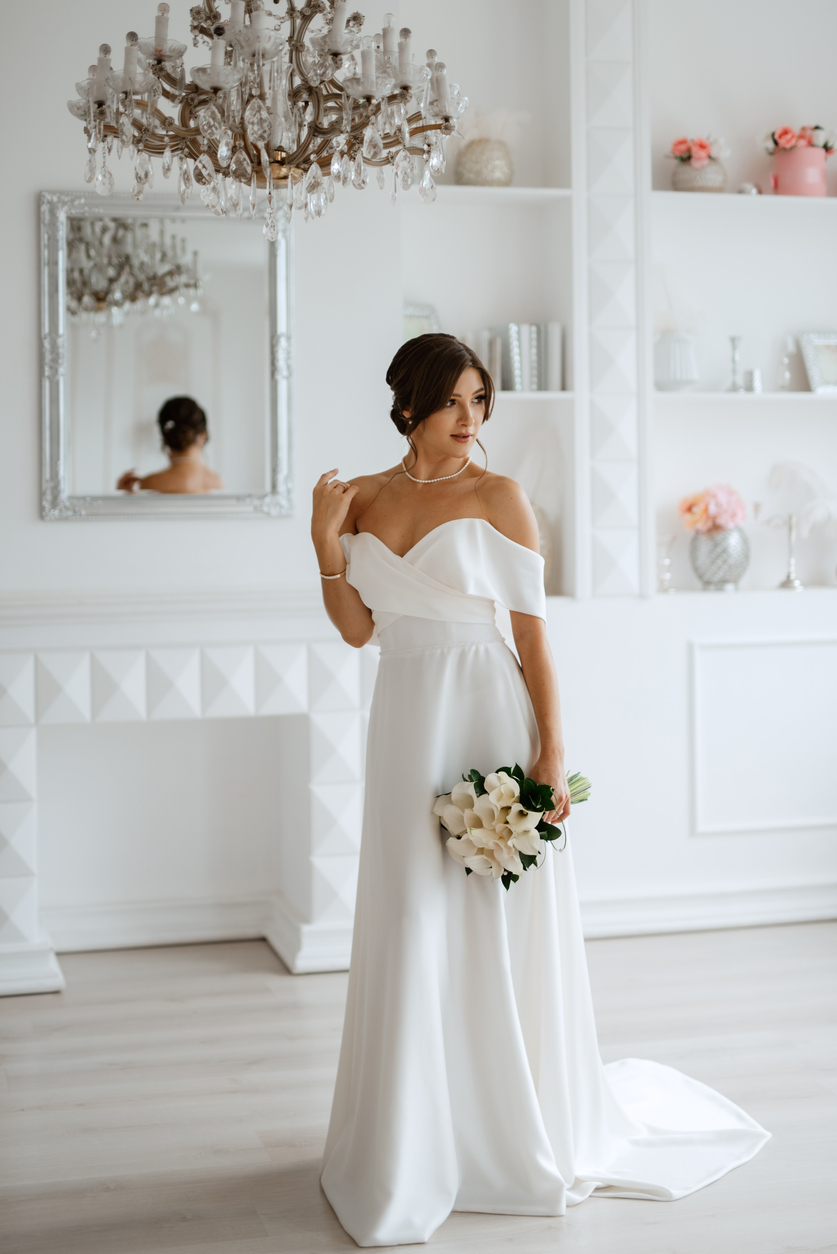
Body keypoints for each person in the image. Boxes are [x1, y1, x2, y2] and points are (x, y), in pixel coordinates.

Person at [311, 334, 768, 1249]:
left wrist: (550, 752)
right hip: (406, 715)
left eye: (482, 400)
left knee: (490, 915)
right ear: (408, 407)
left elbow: (532, 641)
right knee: (409, 915)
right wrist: (323, 542)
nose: (473, 420)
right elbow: (359, 630)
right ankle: (409, 1137)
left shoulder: (500, 497)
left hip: (484, 708)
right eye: (454, 403)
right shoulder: (356, 498)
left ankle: (507, 1124)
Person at [117, 396, 223, 494]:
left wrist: (125, 497)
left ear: (164, 438)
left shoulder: (150, 484)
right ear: (204, 436)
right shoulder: (217, 484)